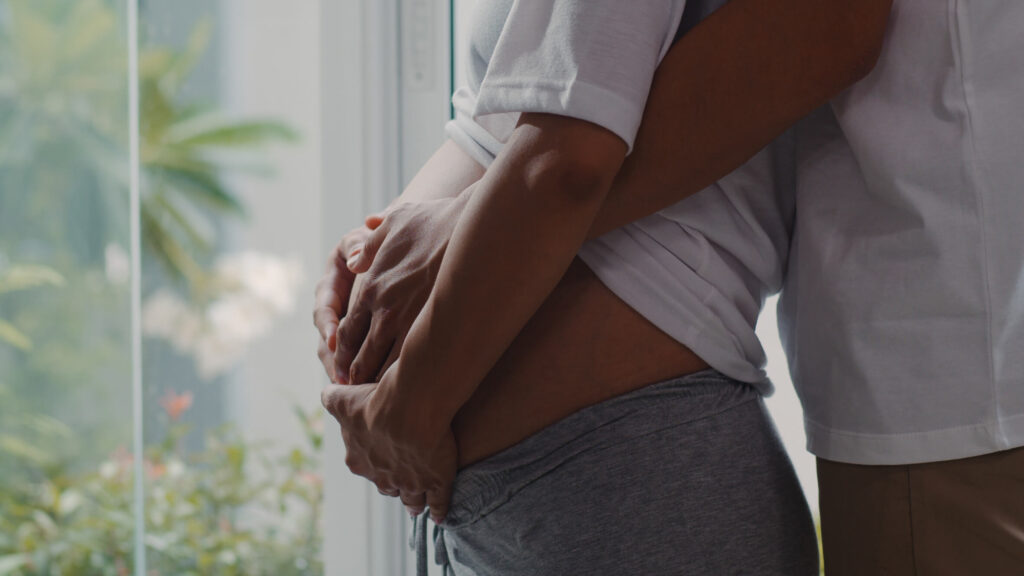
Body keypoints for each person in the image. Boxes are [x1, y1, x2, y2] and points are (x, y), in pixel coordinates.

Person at [316, 0, 891, 574]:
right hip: (523, 493)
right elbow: (502, 128)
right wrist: (376, 254)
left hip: (623, 477)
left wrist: (412, 400)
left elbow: (568, 165)